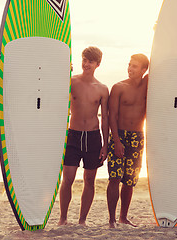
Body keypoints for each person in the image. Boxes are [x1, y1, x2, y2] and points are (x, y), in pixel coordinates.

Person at [58, 46, 109, 226]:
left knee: (89, 181)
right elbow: (54, 93)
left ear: (98, 64)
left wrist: (106, 144)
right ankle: (63, 218)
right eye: (84, 60)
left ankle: (82, 220)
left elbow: (105, 120)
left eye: (90, 61)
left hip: (93, 137)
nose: (86, 64)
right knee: (68, 179)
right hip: (73, 135)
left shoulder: (102, 89)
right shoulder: (71, 81)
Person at [106, 54, 149, 228]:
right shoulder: (119, 87)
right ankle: (111, 219)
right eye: (129, 65)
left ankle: (123, 217)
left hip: (137, 136)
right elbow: (112, 116)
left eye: (135, 66)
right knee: (114, 177)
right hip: (120, 135)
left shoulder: (148, 84)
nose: (130, 69)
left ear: (144, 70)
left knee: (130, 180)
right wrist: (116, 140)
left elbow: (164, 61)